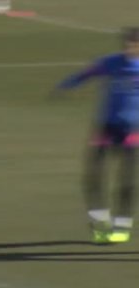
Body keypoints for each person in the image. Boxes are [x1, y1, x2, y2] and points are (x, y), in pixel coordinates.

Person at [54, 27, 139, 244]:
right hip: (106, 127)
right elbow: (86, 74)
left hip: (132, 130)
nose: (130, 48)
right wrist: (65, 86)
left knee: (126, 178)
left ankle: (122, 225)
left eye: (135, 45)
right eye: (128, 44)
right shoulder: (111, 62)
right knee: (93, 176)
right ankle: (100, 223)